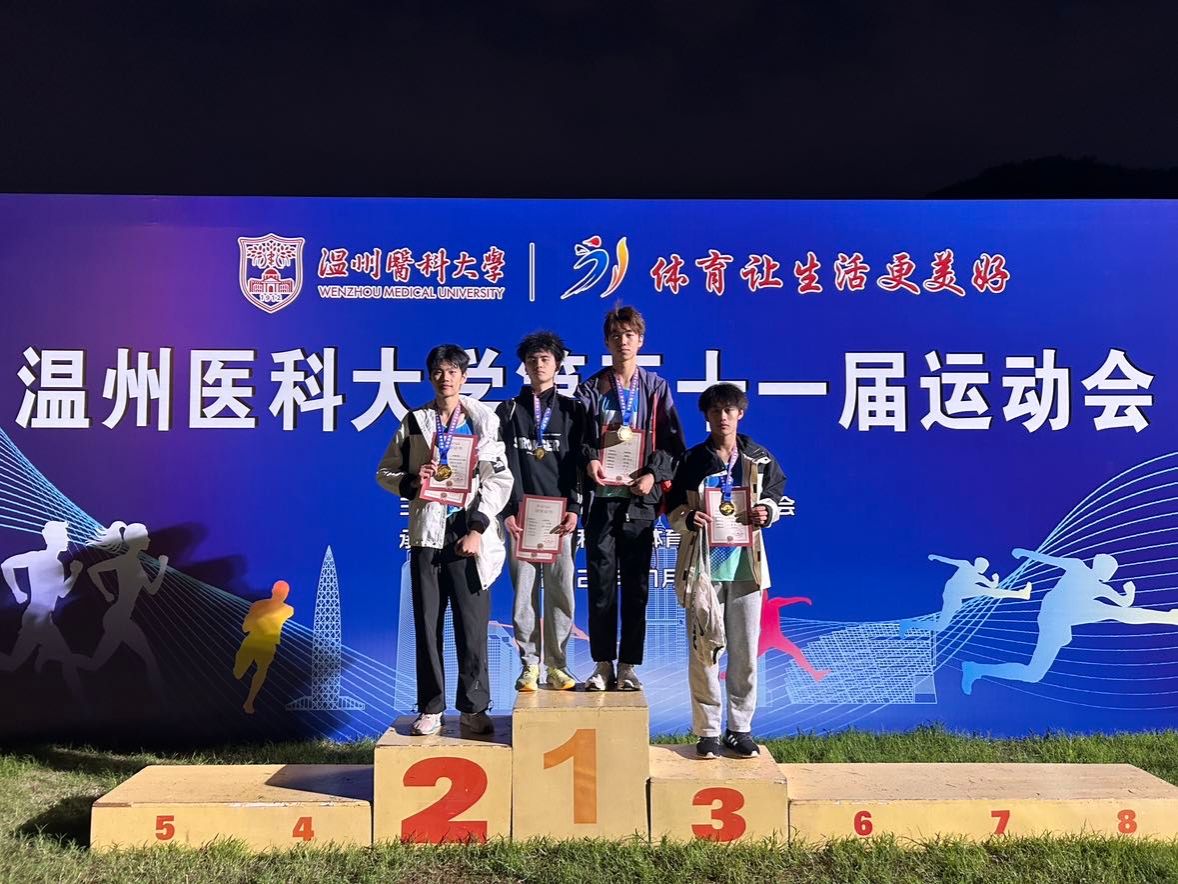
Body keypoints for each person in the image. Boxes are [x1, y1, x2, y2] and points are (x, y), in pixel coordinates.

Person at [376, 344, 513, 735]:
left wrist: (477, 528)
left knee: (473, 626)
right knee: (427, 624)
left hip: (468, 532)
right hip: (427, 533)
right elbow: (384, 472)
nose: (445, 378)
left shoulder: (482, 419)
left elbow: (499, 479)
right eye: (438, 371)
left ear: (464, 377)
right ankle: (431, 707)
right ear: (430, 376)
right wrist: (411, 481)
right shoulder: (415, 421)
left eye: (453, 371)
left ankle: (474, 708)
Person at [666, 383, 792, 759]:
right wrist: (689, 517)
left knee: (745, 653)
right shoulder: (691, 460)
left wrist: (767, 510)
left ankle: (740, 728)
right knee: (704, 650)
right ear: (706, 416)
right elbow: (672, 508)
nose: (723, 417)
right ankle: (707, 730)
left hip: (746, 569)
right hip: (703, 569)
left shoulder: (759, 457)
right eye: (715, 411)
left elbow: (776, 493)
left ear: (741, 414)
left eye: (729, 410)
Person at [575, 304, 685, 691]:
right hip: (602, 499)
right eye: (616, 336)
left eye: (629, 335)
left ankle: (628, 666)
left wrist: (653, 473)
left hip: (639, 501)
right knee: (601, 586)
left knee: (636, 587)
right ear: (606, 342)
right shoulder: (591, 389)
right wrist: (590, 460)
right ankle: (602, 664)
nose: (623, 341)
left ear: (641, 340)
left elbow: (672, 442)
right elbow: (580, 439)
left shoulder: (655, 388)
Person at [962, 548, 1178, 695]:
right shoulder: (1078, 567)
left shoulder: (1102, 587)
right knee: (1113, 612)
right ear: (1100, 566)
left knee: (1034, 674)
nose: (1110, 575)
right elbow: (1050, 560)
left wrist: (1129, 592)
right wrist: (1024, 553)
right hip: (1054, 615)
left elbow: (1124, 604)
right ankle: (1170, 617)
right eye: (1109, 570)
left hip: (1067, 618)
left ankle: (976, 669)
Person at [497, 331, 584, 692]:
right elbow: (498, 465)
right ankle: (529, 664)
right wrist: (507, 511)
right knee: (524, 595)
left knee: (562, 592)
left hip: (560, 518)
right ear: (524, 366)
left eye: (545, 359)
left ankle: (558, 665)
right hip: (522, 517)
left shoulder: (573, 411)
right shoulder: (508, 411)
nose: (538, 365)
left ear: (558, 365)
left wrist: (575, 508)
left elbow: (580, 464)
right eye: (532, 360)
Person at [80, 521, 169, 695]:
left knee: (95, 663)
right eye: (146, 536)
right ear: (136, 541)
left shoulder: (135, 563)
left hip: (119, 617)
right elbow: (93, 570)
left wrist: (162, 569)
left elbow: (151, 589)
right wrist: (105, 593)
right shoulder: (125, 561)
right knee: (149, 660)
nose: (149, 540)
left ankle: (63, 659)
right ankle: (164, 700)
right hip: (117, 618)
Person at [0, 520, 85, 696]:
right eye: (64, 536)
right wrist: (17, 591)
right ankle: (83, 701)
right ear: (53, 538)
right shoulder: (37, 557)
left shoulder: (58, 564)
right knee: (13, 663)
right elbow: (6, 564)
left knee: (14, 662)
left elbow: (61, 593)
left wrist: (75, 574)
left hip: (45, 619)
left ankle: (82, 700)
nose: (68, 539)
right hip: (36, 618)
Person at [898, 554, 1031, 637]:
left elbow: (992, 586)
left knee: (941, 626)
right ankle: (1021, 594)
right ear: (979, 564)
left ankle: (908, 624)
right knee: (986, 591)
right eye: (984, 567)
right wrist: (936, 557)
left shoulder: (979, 577)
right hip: (952, 593)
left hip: (957, 595)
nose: (984, 569)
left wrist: (995, 579)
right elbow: (950, 560)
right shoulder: (966, 565)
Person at [234, 579, 295, 714]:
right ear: (273, 590)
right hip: (252, 640)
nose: (281, 594)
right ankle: (238, 688)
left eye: (284, 592)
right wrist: (253, 622)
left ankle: (249, 702)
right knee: (238, 672)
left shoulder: (287, 609)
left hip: (268, 644)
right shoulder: (258, 604)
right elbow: (246, 625)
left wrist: (260, 618)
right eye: (279, 591)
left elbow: (275, 614)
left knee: (262, 670)